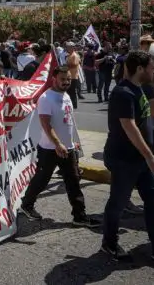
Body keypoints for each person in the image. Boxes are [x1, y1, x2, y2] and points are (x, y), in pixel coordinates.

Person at [101, 51, 154, 262]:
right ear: (139, 69)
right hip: (124, 159)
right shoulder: (123, 93)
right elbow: (129, 127)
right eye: (152, 67)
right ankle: (109, 244)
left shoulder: (140, 90)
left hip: (140, 159)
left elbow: (147, 125)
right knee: (117, 203)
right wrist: (149, 157)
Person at [19, 66, 100, 227]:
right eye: (63, 79)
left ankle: (79, 215)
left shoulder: (66, 95)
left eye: (68, 79)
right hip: (50, 149)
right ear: (53, 79)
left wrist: (72, 142)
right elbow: (46, 124)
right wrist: (58, 144)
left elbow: (68, 121)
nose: (66, 82)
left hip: (67, 148)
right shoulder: (46, 98)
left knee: (73, 181)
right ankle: (27, 204)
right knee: (42, 180)